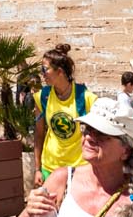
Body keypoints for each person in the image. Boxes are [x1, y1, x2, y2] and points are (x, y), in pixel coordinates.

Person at [35, 44, 98, 180]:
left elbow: (99, 135)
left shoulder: (86, 98)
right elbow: (39, 134)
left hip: (79, 169)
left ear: (60, 72)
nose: (42, 73)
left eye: (45, 69)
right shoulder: (42, 97)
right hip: (50, 167)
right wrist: (37, 169)